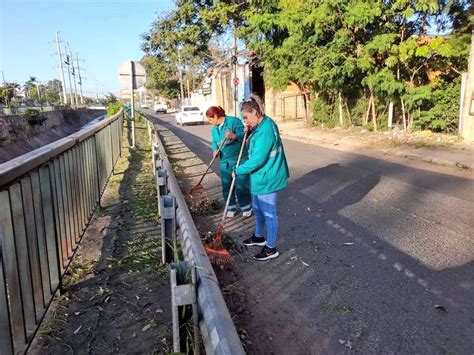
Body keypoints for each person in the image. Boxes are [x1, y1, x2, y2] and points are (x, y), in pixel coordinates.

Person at [233, 95, 289, 260]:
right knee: (257, 208)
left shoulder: (264, 132)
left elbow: (257, 159)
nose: (245, 121)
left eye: (246, 117)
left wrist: (238, 170)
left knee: (269, 213)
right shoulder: (264, 122)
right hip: (261, 176)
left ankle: (271, 248)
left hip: (268, 176)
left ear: (255, 112)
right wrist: (250, 130)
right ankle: (259, 236)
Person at [206, 106, 252, 218]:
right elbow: (214, 142)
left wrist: (234, 136)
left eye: (210, 119)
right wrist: (215, 150)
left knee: (241, 185)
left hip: (239, 160)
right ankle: (231, 207)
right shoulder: (214, 129)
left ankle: (246, 207)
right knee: (226, 185)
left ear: (216, 116)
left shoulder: (233, 121)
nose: (209, 121)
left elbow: (244, 135)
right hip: (225, 162)